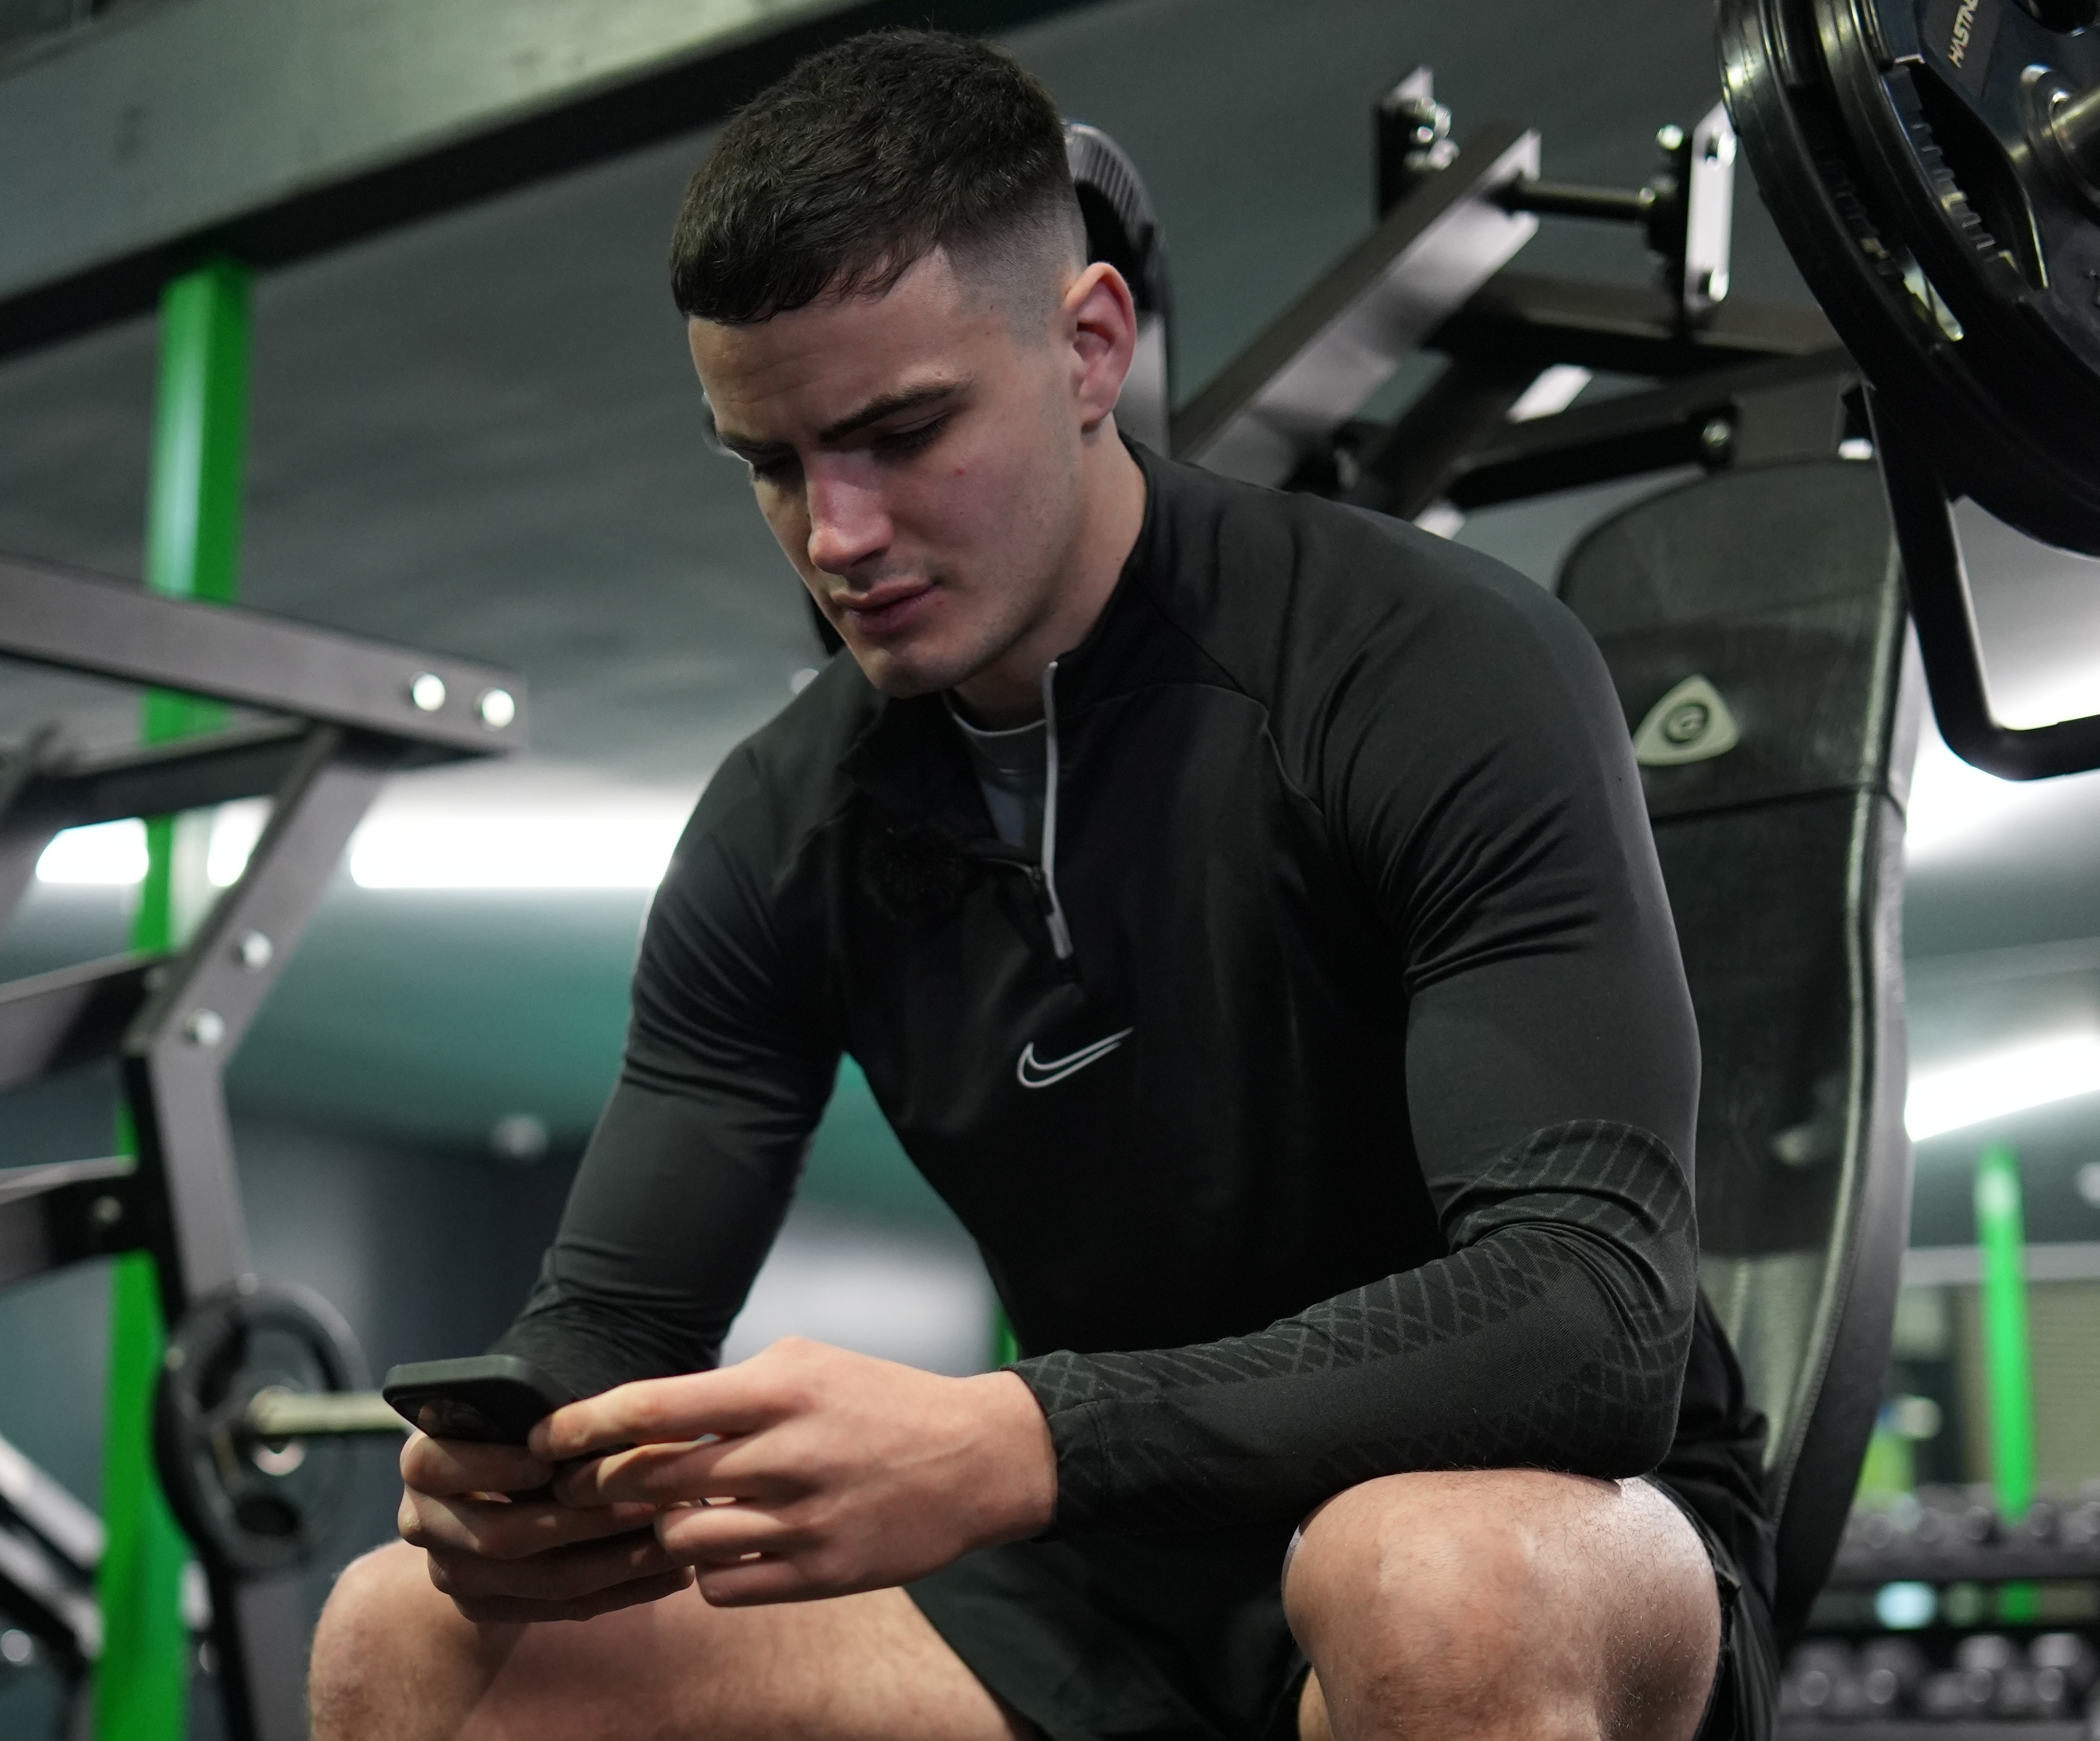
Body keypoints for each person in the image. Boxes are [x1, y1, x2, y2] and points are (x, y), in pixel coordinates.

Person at [309, 29, 1775, 1741]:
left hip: (1540, 1516)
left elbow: (1595, 1317)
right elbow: (615, 1323)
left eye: (902, 432)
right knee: (403, 1633)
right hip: (1105, 1574)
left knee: (1422, 1582)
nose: (835, 535)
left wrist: (1024, 1434)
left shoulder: (1427, 665)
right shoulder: (782, 827)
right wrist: (522, 1466)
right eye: (773, 463)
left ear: (1090, 346)